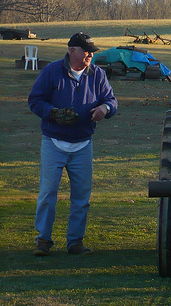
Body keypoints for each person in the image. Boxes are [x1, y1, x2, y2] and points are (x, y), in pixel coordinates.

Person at [28, 32, 118, 256]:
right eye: (85, 51)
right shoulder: (51, 72)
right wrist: (53, 113)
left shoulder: (97, 75)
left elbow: (111, 100)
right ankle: (43, 241)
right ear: (71, 51)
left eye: (91, 52)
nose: (89, 55)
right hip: (54, 142)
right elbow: (35, 100)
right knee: (48, 193)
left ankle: (75, 242)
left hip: (83, 144)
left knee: (81, 197)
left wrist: (104, 109)